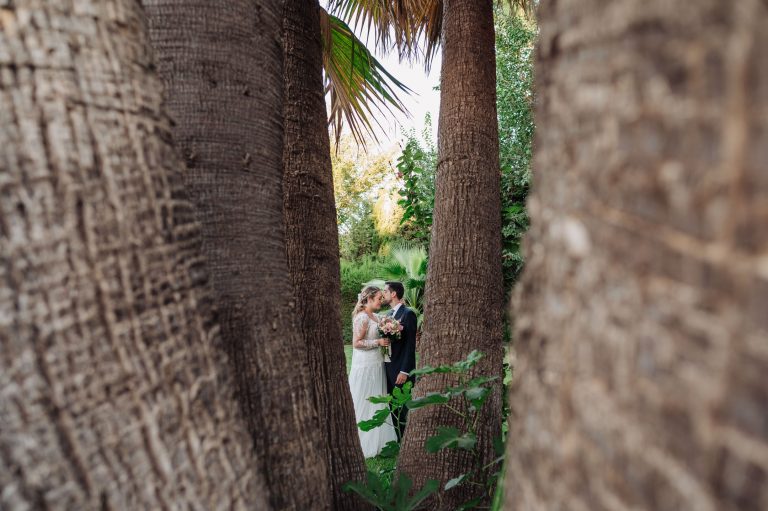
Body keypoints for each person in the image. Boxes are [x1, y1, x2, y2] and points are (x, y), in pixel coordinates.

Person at [348, 285, 397, 457]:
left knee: (378, 398)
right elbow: (356, 343)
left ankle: (380, 440)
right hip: (365, 366)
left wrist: (395, 328)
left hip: (377, 364)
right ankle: (361, 440)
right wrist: (378, 343)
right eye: (378, 299)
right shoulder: (361, 317)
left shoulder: (376, 316)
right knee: (365, 398)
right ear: (368, 299)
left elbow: (388, 325)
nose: (381, 301)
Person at [381, 281, 417, 441]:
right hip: (388, 366)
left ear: (393, 293)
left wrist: (405, 371)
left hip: (401, 369)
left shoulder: (408, 314)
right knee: (392, 406)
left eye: (385, 291)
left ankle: (409, 439)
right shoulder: (388, 316)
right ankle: (399, 439)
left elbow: (410, 346)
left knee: (403, 406)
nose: (383, 294)